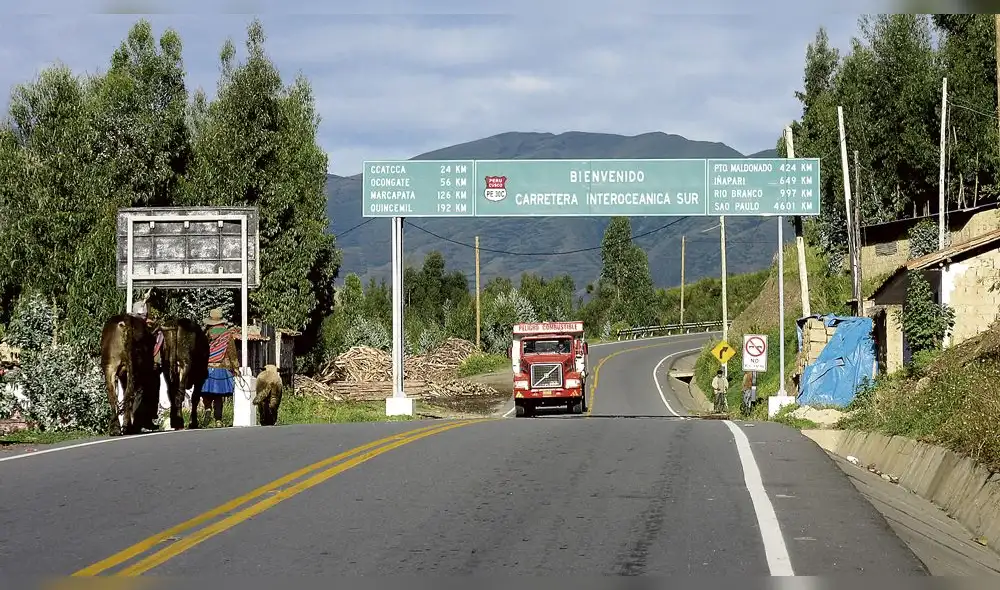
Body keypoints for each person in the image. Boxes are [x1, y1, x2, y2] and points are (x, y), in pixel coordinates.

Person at [201, 308, 235, 427]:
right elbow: (232, 353)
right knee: (219, 396)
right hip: (222, 368)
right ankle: (218, 420)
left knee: (205, 392)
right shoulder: (227, 335)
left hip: (207, 367)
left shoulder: (205, 334)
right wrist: (236, 368)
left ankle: (207, 408)